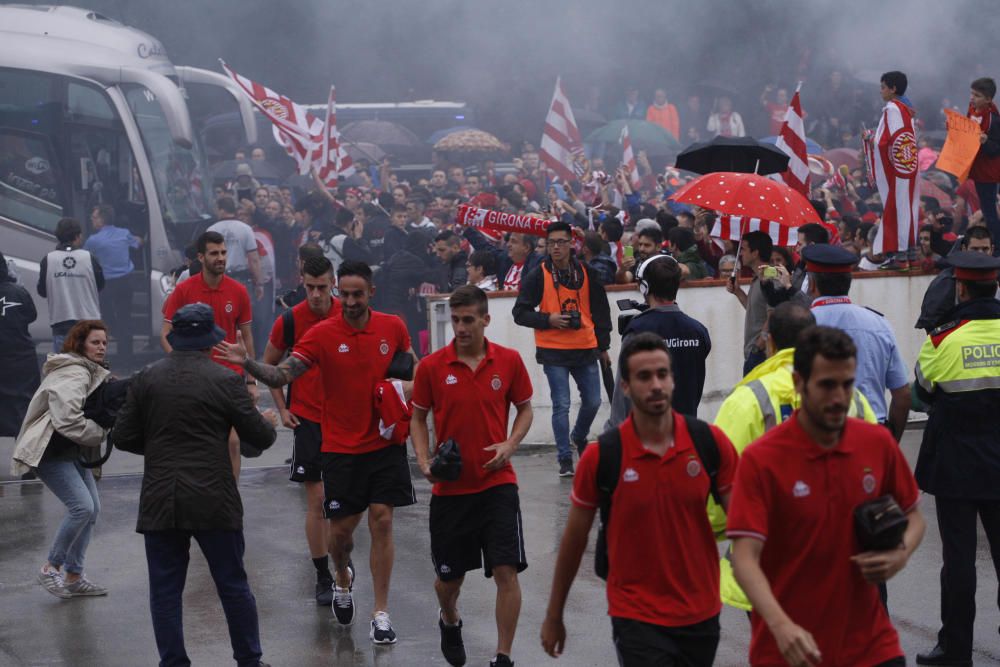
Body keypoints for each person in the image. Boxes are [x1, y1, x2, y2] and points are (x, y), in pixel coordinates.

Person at [216, 261, 418, 645]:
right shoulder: (323, 334)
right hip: (340, 447)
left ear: (371, 293)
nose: (352, 301)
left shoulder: (393, 326)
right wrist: (246, 363)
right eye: (347, 294)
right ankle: (341, 577)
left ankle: (380, 612)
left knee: (383, 521)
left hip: (385, 443)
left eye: (359, 294)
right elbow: (282, 374)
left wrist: (408, 397)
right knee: (340, 536)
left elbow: (414, 371)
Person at [728, 325, 925, 667]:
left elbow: (915, 516)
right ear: (799, 384)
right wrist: (781, 625)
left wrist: (900, 553)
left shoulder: (876, 443)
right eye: (827, 385)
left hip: (873, 647)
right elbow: (744, 559)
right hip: (791, 651)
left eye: (847, 384)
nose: (839, 397)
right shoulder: (762, 460)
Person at [541, 332, 739, 666]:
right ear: (626, 387)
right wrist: (554, 614)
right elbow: (574, 542)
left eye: (662, 374)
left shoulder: (709, 443)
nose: (656, 385)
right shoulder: (604, 456)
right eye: (644, 377)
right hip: (636, 614)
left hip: (701, 612)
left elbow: (745, 525)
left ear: (673, 380)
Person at [113, 304, 277, 667]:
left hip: (160, 497)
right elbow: (259, 438)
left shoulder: (146, 378)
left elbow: (123, 436)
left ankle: (173, 662)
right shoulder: (225, 380)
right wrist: (266, 421)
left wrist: (156, 444)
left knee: (165, 590)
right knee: (232, 584)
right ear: (209, 342)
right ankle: (249, 660)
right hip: (213, 496)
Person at [713, 303, 878, 611]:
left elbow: (720, 479)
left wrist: (719, 528)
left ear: (770, 341)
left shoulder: (748, 398)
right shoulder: (850, 395)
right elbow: (877, 466)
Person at [410, 286, 534, 667]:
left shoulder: (510, 361)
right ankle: (450, 619)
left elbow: (525, 408)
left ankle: (503, 657)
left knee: (506, 570)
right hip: (450, 491)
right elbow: (417, 417)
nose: (460, 328)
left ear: (485, 319)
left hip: (498, 484)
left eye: (468, 320)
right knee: (448, 583)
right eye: (456, 320)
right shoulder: (431, 367)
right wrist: (424, 460)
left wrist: (510, 444)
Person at [912, 252, 1000, 666]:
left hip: (956, 465)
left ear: (960, 289)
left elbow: (924, 392)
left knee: (959, 561)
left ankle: (955, 649)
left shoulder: (942, 337)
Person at [261, 256, 342, 606]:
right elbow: (268, 367)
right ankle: (323, 574)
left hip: (346, 418)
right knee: (317, 499)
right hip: (308, 418)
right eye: (310, 287)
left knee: (346, 501)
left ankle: (341, 554)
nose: (316, 294)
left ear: (333, 282)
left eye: (322, 287)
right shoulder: (290, 320)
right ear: (302, 282)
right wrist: (282, 407)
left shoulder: (349, 311)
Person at [11, 320, 112, 598]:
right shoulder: (74, 373)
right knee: (82, 507)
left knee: (92, 510)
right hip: (51, 452)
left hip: (71, 451)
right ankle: (50, 568)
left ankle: (74, 575)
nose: (101, 347)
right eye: (95, 342)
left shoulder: (91, 371)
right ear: (80, 344)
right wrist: (99, 433)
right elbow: (68, 419)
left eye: (104, 342)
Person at [512, 221, 612, 477]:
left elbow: (601, 311)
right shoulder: (538, 274)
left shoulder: (587, 272)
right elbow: (519, 313)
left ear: (571, 244)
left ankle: (578, 435)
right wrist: (549, 319)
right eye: (551, 243)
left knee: (592, 401)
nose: (556, 247)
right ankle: (565, 458)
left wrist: (604, 347)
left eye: (561, 242)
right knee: (561, 405)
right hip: (553, 349)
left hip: (586, 347)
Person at [161, 231, 255, 479]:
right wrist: (181, 363)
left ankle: (231, 501)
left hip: (231, 377)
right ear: (201, 257)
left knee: (233, 443)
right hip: (194, 378)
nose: (221, 258)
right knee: (198, 444)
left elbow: (246, 336)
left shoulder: (239, 291)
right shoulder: (183, 290)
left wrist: (252, 379)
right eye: (214, 253)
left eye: (223, 252)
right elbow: (165, 333)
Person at [801, 244, 911, 439]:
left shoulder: (801, 324)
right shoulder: (879, 323)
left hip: (819, 433)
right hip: (874, 431)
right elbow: (902, 395)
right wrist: (891, 442)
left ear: (811, 284)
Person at [607, 255, 711, 426]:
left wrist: (615, 434)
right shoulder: (699, 331)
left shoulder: (637, 330)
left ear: (644, 287)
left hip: (644, 434)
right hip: (686, 430)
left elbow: (621, 394)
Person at [37, 217, 104, 353]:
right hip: (89, 324)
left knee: (66, 370)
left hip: (61, 325)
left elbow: (42, 291)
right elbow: (101, 285)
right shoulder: (89, 257)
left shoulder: (48, 259)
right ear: (78, 236)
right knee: (90, 370)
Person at [84, 204, 140, 360]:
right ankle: (126, 356)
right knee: (126, 316)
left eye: (94, 217)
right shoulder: (124, 233)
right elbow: (137, 243)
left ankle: (112, 337)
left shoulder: (93, 241)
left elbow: (84, 258)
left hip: (106, 284)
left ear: (102, 219)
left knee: (107, 316)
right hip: (126, 281)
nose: (92, 219)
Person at [915, 226, 994, 333]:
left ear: (992, 250)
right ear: (964, 249)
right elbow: (932, 325)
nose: (979, 254)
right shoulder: (945, 282)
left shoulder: (996, 276)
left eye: (985, 249)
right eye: (974, 249)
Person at [0, 252, 40, 438]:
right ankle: (25, 457)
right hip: (21, 359)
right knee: (24, 410)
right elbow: (31, 315)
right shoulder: (18, 291)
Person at [726, 231, 772, 375]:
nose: (741, 254)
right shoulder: (757, 278)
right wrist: (738, 292)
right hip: (754, 351)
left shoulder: (769, 276)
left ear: (755, 253)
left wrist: (759, 346)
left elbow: (774, 314)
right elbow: (755, 311)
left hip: (762, 354)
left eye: (744, 249)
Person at [208, 196, 264, 301]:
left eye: (217, 209)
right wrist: (259, 283)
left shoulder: (211, 230)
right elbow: (254, 259)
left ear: (222, 210)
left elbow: (207, 260)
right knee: (242, 314)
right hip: (241, 280)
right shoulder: (246, 229)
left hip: (219, 280)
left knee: (221, 313)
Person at [967, 77, 1000, 253]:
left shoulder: (993, 120)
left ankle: (997, 246)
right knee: (986, 208)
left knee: (989, 211)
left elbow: (996, 148)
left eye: (977, 95)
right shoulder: (972, 111)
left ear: (988, 99)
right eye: (972, 93)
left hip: (988, 173)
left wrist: (986, 142)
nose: (972, 98)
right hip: (977, 169)